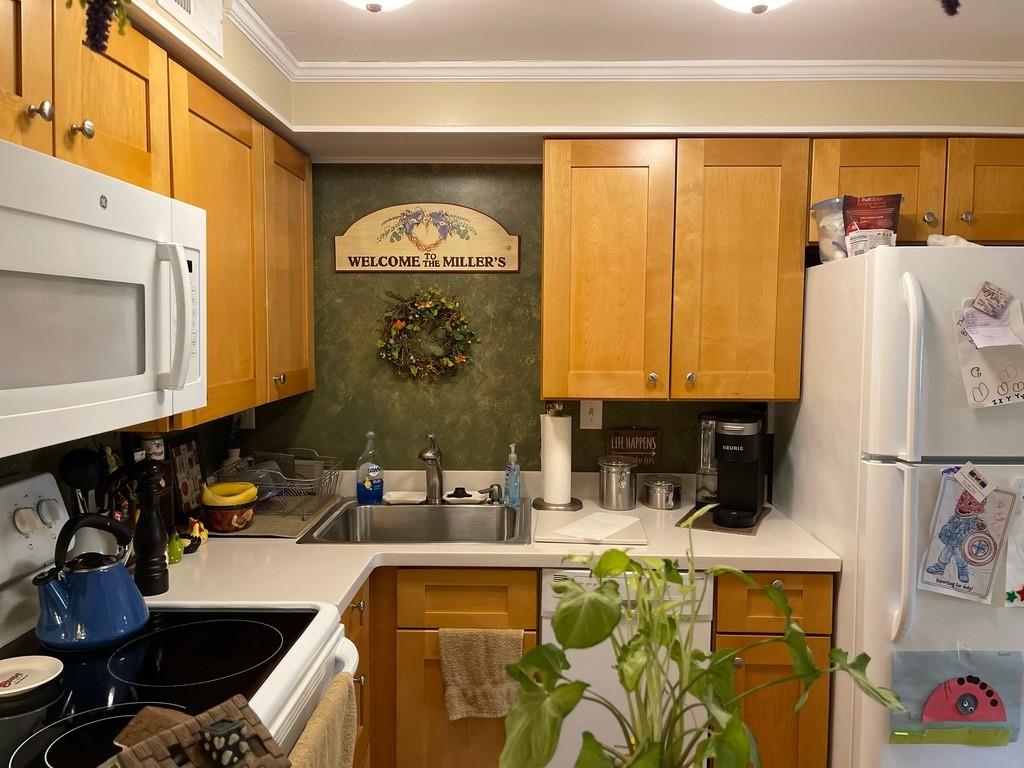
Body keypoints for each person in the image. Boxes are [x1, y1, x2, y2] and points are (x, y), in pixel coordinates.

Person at [926, 490, 987, 584]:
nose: (962, 505)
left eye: (970, 504)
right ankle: (940, 567)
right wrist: (945, 533)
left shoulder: (972, 521)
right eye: (961, 500)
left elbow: (978, 526)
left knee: (961, 559)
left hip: (961, 546)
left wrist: (980, 526)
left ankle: (962, 571)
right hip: (951, 542)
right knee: (944, 555)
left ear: (978, 510)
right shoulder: (954, 518)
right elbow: (948, 526)